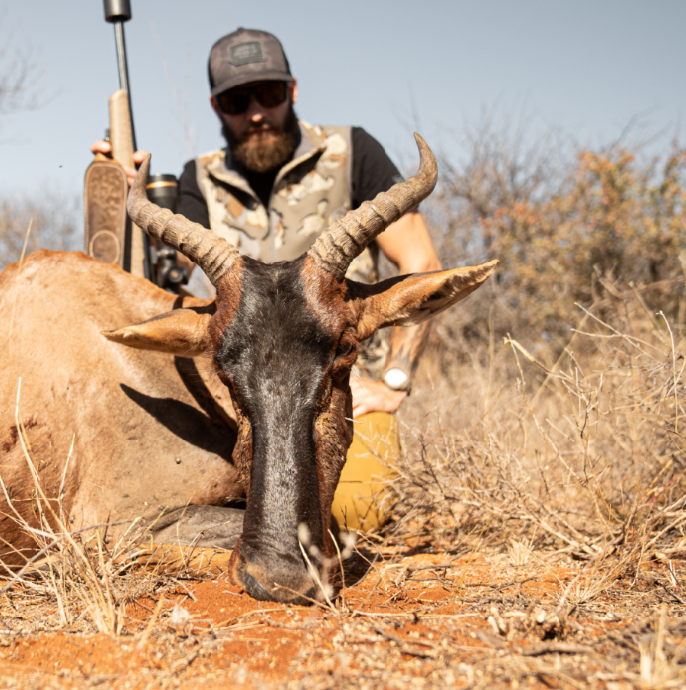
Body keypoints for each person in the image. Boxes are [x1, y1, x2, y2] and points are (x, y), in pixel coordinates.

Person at [90, 28, 441, 531]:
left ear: (292, 90)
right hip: (241, 399)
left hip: (341, 390)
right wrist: (117, 200)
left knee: (352, 516)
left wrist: (393, 383)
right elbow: (168, 283)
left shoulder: (352, 151)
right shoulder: (199, 178)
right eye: (237, 100)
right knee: (157, 499)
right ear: (216, 106)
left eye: (270, 94)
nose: (255, 112)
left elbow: (420, 263)